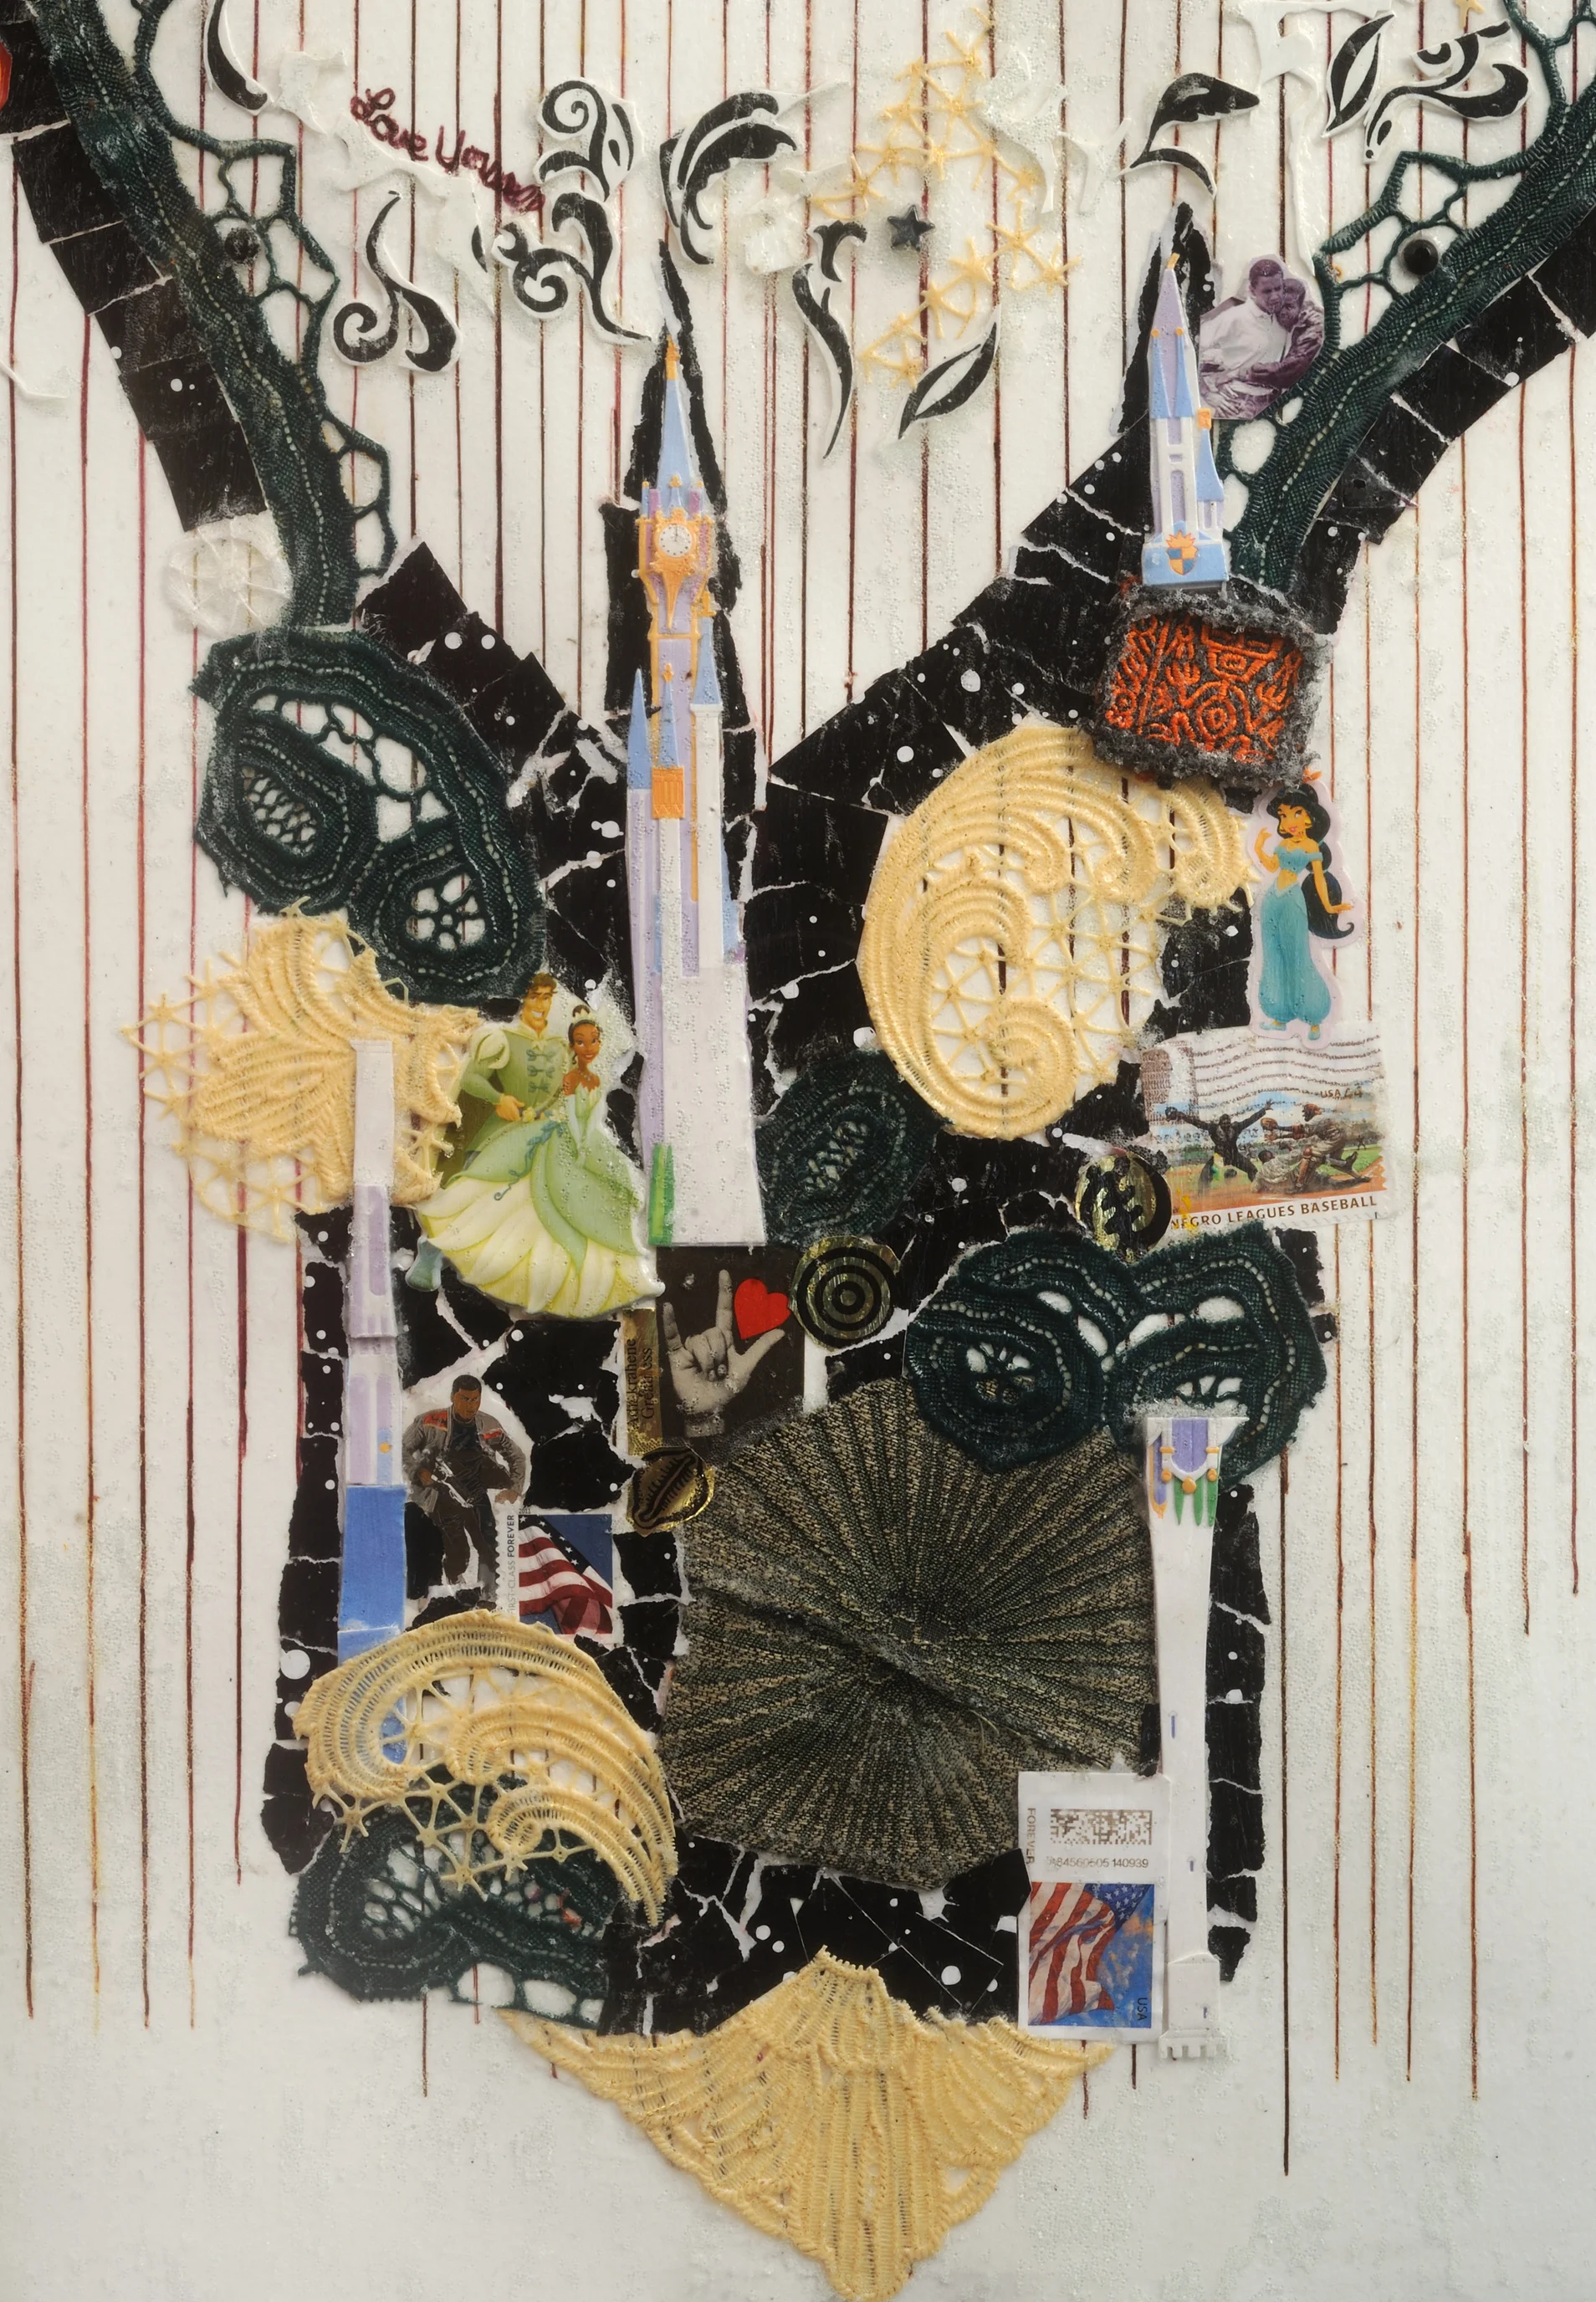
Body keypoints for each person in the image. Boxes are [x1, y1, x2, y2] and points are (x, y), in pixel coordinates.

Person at [417, 991, 657, 1316]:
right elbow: (478, 1082)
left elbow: (578, 1113)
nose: (541, 1008)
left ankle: (601, 1277)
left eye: (593, 1042)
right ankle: (441, 1246)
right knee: (498, 1197)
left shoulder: (574, 1065)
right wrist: (504, 1101)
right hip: (524, 1135)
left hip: (569, 1139)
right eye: (536, 1000)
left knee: (584, 1203)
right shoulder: (503, 1041)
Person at [403, 1374, 526, 1599]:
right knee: (458, 1553)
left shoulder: (489, 1425)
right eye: (465, 1399)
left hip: (476, 1492)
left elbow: (516, 1455)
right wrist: (417, 1472)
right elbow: (401, 1448)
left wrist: (515, 1488)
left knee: (490, 1544)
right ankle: (454, 1580)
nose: (470, 1405)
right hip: (441, 1494)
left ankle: (488, 1596)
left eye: (475, 1399)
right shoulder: (430, 1421)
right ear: (453, 1397)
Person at [1251, 786, 1355, 1037]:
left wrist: (1329, 906)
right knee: (1273, 955)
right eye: (1284, 815)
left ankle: (1313, 1017)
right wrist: (1259, 847)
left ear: (1309, 818)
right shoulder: (1284, 844)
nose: (1290, 821)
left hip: (1293, 901)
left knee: (1298, 954)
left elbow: (1319, 879)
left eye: (1296, 814)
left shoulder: (1311, 846)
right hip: (1272, 900)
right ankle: (1279, 1015)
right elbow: (1271, 866)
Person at [1199, 258, 1324, 422]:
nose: (1275, 297)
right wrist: (1207, 393)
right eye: (1267, 291)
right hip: (1237, 403)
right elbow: (1189, 348)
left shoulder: (1282, 316)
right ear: (1252, 290)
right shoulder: (1234, 317)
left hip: (1273, 404)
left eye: (1278, 288)